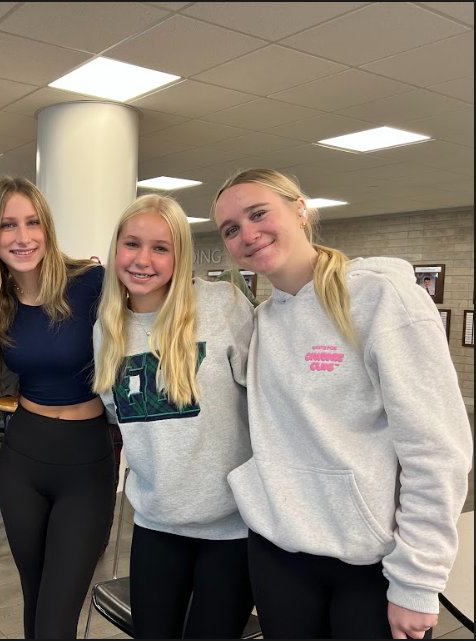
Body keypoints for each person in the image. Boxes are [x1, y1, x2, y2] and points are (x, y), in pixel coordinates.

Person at [212, 168, 472, 640]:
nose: (247, 234)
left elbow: (436, 449)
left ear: (300, 209)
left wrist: (417, 580)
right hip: (277, 553)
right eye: (231, 229)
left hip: (371, 562)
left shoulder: (381, 298)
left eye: (258, 213)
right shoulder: (263, 321)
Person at [93, 194, 255, 638]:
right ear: (116, 250)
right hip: (156, 525)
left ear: (180, 256)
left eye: (161, 248)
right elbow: (118, 416)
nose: (143, 259)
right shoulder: (107, 328)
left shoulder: (223, 306)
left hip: (233, 529)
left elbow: (270, 404)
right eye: (132, 244)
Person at [0, 176, 115, 639]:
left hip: (87, 460)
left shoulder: (92, 283)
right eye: (7, 225)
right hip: (24, 457)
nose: (22, 237)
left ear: (48, 228)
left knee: (57, 617)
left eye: (33, 222)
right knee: (35, 600)